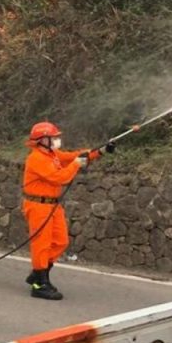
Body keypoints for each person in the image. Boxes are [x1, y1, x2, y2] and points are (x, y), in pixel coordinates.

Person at [21, 121, 112, 300]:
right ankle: (40, 283)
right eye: (53, 137)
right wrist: (76, 164)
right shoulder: (36, 158)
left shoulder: (52, 154)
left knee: (60, 241)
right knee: (42, 244)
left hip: (53, 205)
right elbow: (59, 177)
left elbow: (73, 156)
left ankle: (39, 273)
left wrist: (100, 151)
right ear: (42, 140)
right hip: (38, 205)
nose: (57, 140)